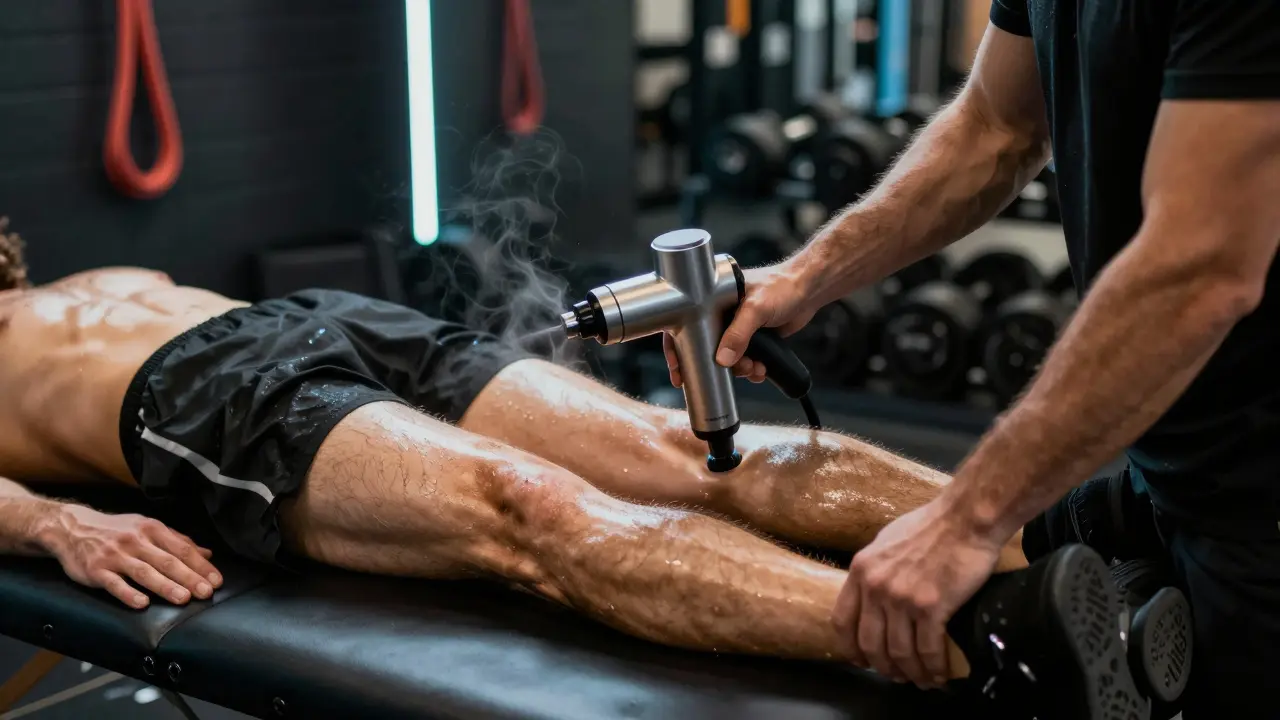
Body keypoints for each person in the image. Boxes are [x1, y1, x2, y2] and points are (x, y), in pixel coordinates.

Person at [0, 223, 1154, 719]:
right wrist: (58, 524)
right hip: (207, 405)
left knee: (680, 447)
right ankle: (1000, 643)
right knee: (537, 512)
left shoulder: (90, 271)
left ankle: (1060, 549)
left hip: (317, 322)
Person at [672, 3, 1280, 716]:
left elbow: (1198, 270)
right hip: (1185, 468)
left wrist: (965, 522)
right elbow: (996, 126)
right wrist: (808, 275)